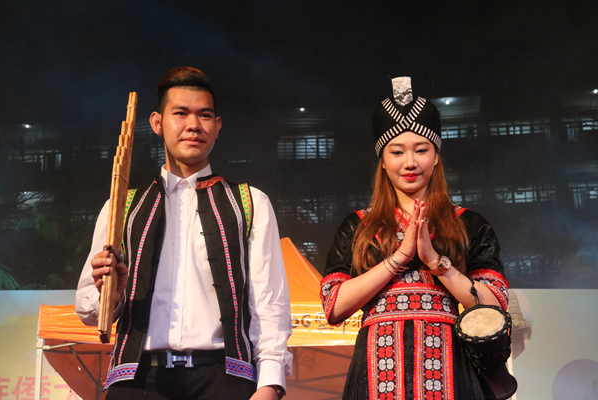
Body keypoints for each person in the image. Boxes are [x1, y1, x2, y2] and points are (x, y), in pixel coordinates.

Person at [76, 67, 292, 400]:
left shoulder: (249, 202)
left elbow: (269, 303)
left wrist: (270, 385)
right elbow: (89, 312)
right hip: (138, 379)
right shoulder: (123, 206)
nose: (193, 125)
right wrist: (112, 296)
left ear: (217, 126)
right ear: (157, 123)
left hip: (224, 378)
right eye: (180, 113)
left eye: (204, 115)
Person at [320, 77, 515, 399]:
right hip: (375, 367)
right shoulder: (358, 225)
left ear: (436, 156)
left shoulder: (468, 223)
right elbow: (333, 306)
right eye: (397, 152)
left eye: (421, 150)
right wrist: (399, 257)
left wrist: (436, 262)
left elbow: (495, 305)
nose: (409, 162)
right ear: (383, 161)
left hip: (451, 366)